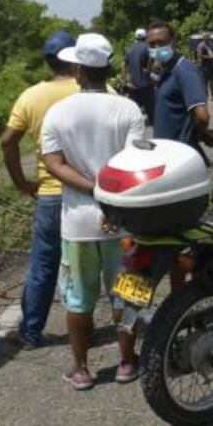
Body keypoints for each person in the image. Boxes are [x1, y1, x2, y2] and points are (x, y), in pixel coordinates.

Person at [41, 34, 145, 389]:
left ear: (77, 70)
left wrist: (91, 189)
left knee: (77, 298)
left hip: (77, 222)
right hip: (123, 218)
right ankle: (127, 362)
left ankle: (82, 368)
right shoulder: (127, 108)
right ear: (109, 68)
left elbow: (54, 163)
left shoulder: (59, 112)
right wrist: (109, 195)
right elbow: (133, 163)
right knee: (126, 292)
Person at [1, 30, 78, 350]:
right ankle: (126, 328)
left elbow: (7, 141)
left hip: (50, 194)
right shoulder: (96, 90)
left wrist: (21, 183)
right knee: (109, 263)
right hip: (92, 193)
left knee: (43, 267)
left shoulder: (30, 96)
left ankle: (31, 333)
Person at [147, 21, 213, 160]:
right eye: (151, 44)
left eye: (161, 42)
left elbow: (202, 117)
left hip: (180, 155)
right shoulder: (163, 68)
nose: (156, 47)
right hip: (166, 152)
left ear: (173, 42)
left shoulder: (185, 71)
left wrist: (192, 136)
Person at [124, 29, 154, 125]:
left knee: (134, 107)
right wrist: (148, 69)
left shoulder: (130, 49)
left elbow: (123, 64)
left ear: (135, 37)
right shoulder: (147, 47)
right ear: (146, 37)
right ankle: (152, 122)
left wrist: (126, 79)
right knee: (150, 107)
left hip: (132, 84)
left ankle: (134, 123)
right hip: (145, 84)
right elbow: (152, 58)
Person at [195, 31, 213, 102]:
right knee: (205, 82)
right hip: (204, 66)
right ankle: (206, 97)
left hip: (211, 65)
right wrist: (210, 57)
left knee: (212, 81)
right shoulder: (201, 45)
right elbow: (199, 55)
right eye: (206, 36)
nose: (207, 37)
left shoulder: (211, 44)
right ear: (203, 37)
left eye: (208, 36)